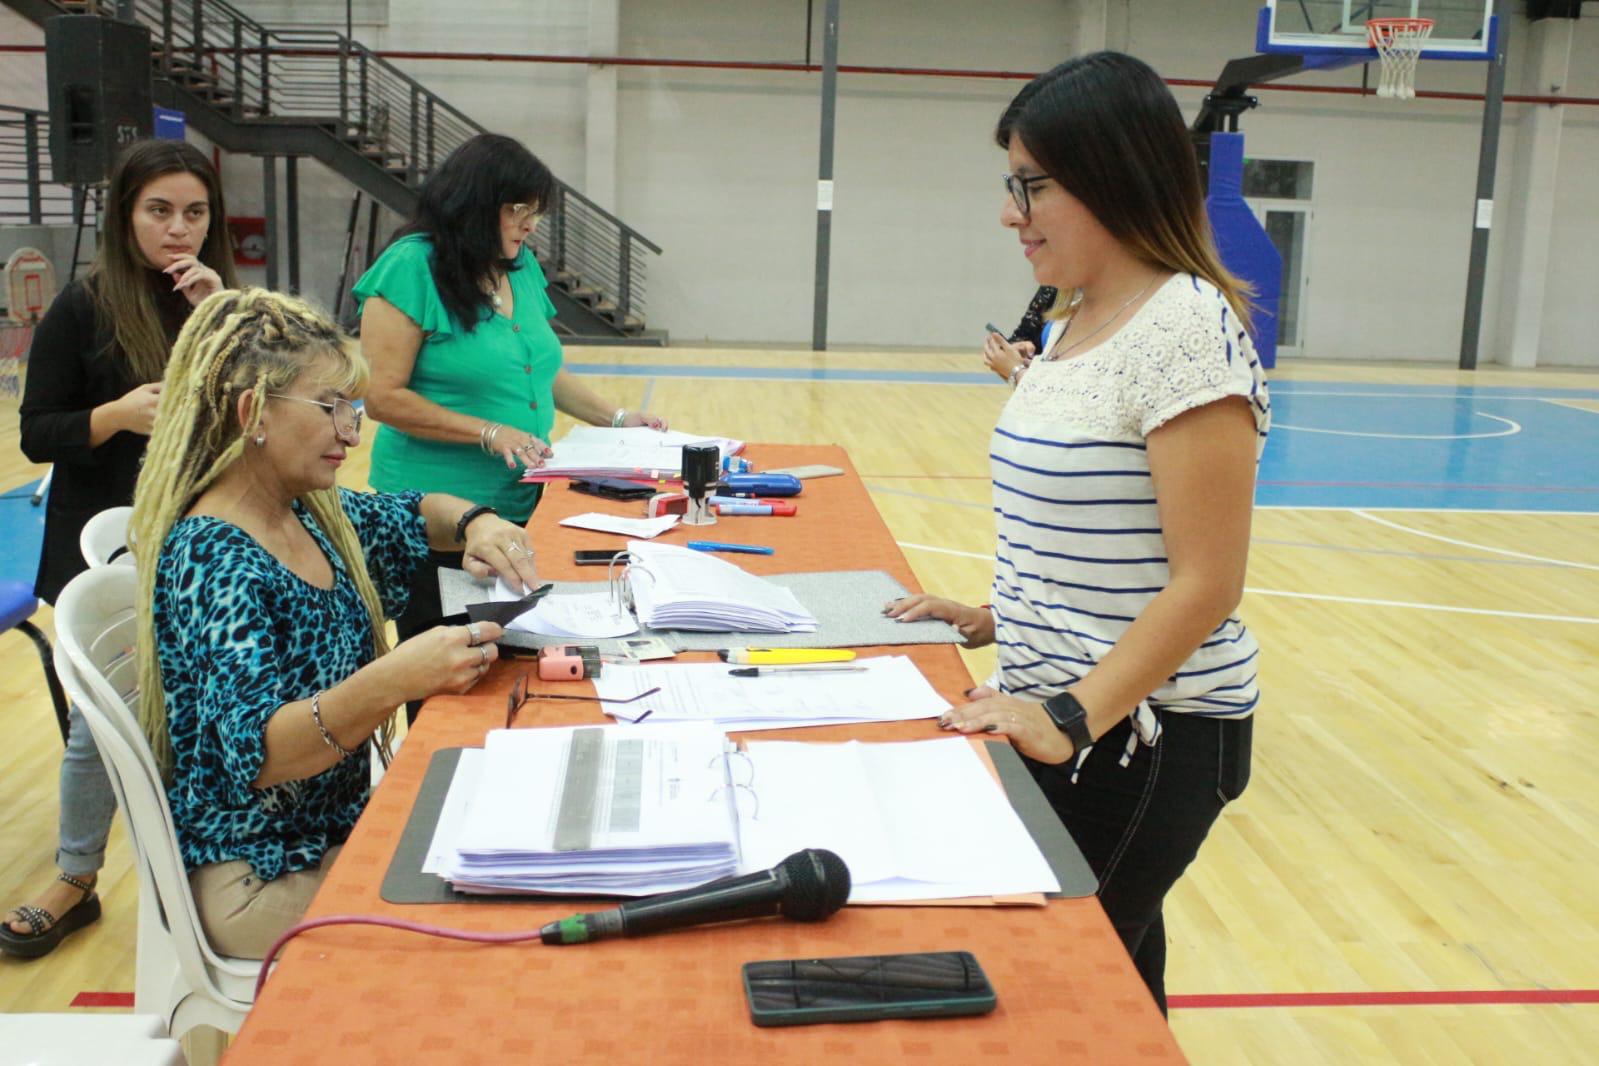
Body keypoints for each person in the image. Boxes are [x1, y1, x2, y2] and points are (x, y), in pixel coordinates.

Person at [886, 51, 1271, 1014]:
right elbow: (1092, 536)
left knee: (1048, 995)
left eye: (1031, 186)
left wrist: (1066, 715)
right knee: (1117, 988)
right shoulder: (1075, 323)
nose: (1009, 214)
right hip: (1076, 712)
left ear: (1111, 177)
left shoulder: (1185, 327)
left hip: (1146, 735)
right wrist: (988, 618)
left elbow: (1205, 583)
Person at [125, 288, 538, 959]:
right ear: (250, 412)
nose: (352, 430)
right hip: (260, 872)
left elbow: (412, 511)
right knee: (491, 924)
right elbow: (264, 754)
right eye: (331, 408)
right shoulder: (215, 555)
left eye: (353, 408)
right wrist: (393, 680)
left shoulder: (308, 512)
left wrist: (476, 522)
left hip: (330, 830)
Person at [4, 139, 236, 959]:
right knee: (100, 724)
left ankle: (218, 861)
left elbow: (276, 401)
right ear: (125, 216)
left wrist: (224, 316)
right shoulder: (84, 305)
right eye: (159, 211)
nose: (178, 230)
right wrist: (113, 417)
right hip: (101, 542)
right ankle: (74, 878)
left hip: (205, 539)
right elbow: (38, 433)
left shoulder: (221, 297)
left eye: (195, 213)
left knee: (214, 708)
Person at [353, 133, 667, 654]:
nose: (530, 224)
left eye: (536, 212)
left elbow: (540, 369)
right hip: (435, 517)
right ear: (475, 203)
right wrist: (489, 431)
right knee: (444, 668)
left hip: (520, 506)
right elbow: (383, 398)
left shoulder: (518, 266)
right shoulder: (411, 267)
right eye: (519, 209)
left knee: (509, 659)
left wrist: (615, 418)